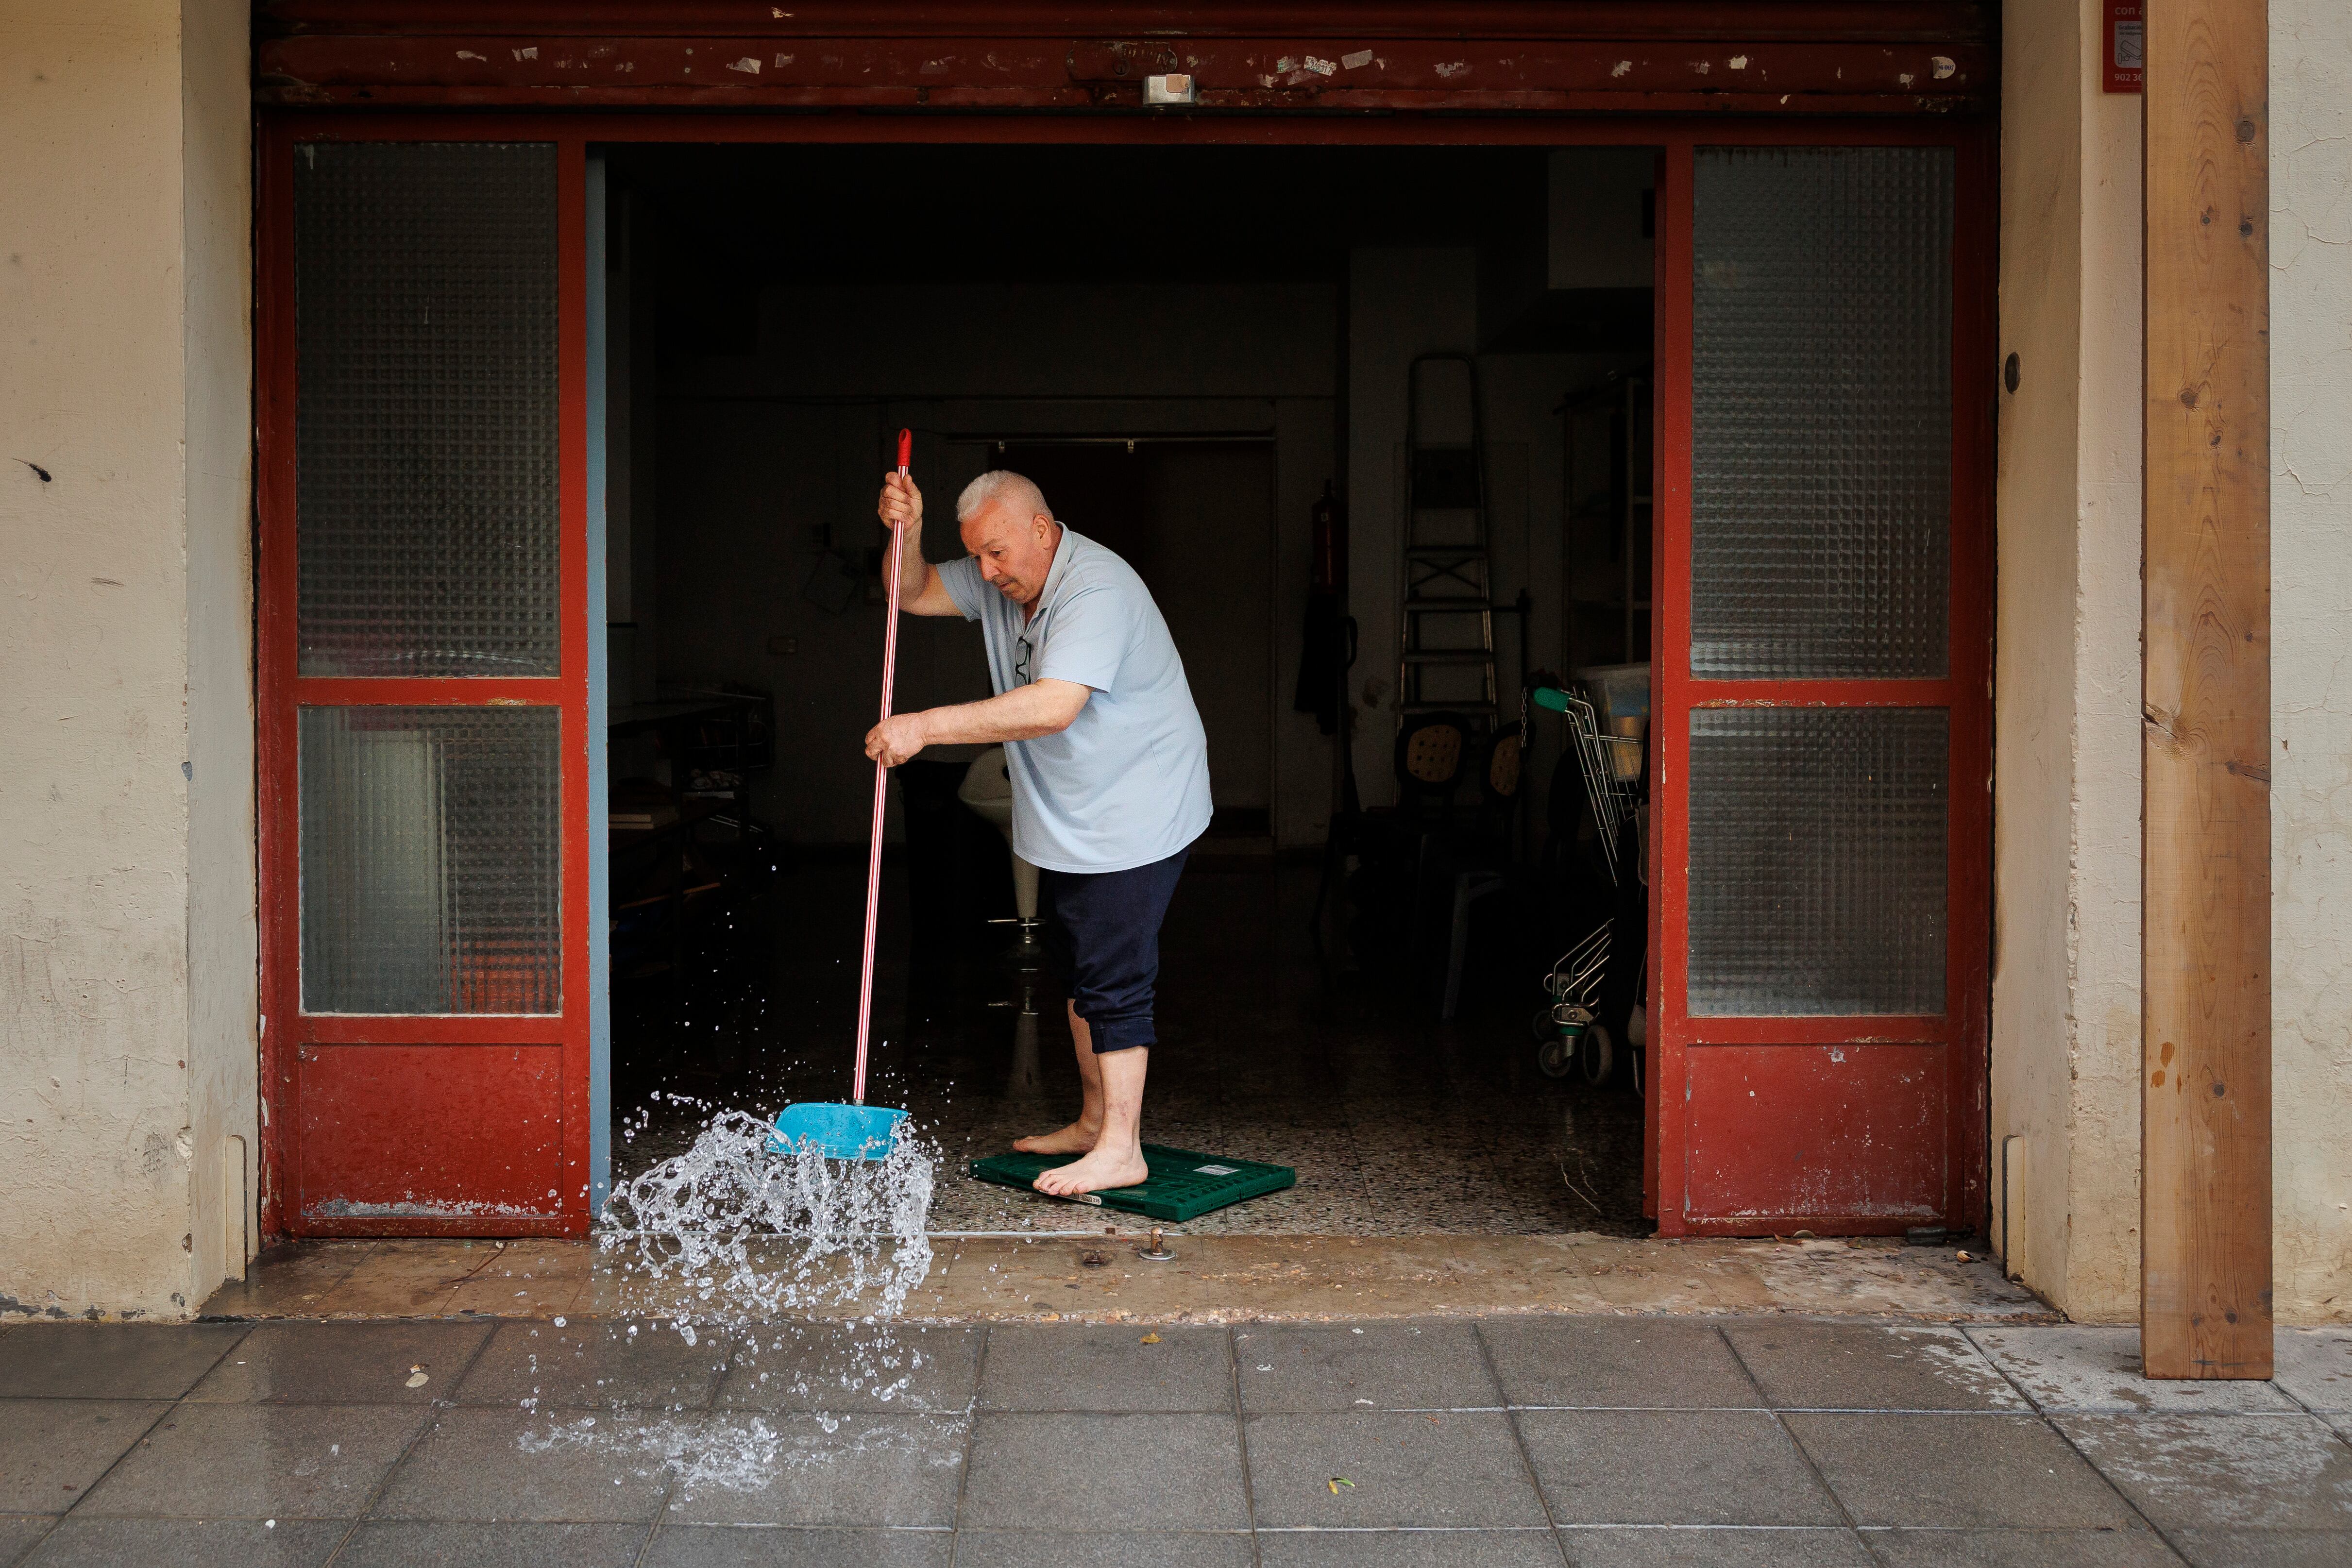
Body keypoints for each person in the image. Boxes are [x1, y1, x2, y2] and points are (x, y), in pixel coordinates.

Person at [866, 466, 1212, 1196]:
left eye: (997, 553)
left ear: (1043, 531)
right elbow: (913, 589)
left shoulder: (1097, 589)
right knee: (1079, 966)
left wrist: (926, 726)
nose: (986, 573)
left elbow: (1056, 705)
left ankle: (1122, 1148)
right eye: (977, 556)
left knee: (1115, 976)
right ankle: (1094, 1123)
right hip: (1076, 808)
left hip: (1137, 804)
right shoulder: (1002, 576)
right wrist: (910, 527)